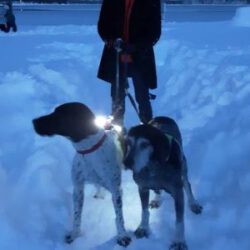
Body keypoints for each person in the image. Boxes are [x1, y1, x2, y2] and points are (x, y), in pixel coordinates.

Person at [97, 0, 161, 126]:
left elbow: (154, 31)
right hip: (116, 52)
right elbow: (103, 24)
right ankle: (117, 126)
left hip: (140, 55)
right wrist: (110, 40)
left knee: (142, 93)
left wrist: (137, 46)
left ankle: (147, 125)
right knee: (117, 92)